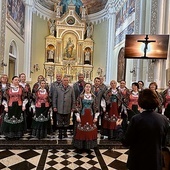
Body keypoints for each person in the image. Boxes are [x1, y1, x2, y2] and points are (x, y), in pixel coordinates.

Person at [117, 89, 169, 170]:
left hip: (138, 162)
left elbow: (126, 142)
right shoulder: (163, 119)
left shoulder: (136, 119)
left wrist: (119, 127)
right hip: (155, 162)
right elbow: (164, 142)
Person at [73, 83, 99, 152]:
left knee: (90, 130)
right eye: (86, 87)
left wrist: (96, 117)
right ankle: (80, 147)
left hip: (90, 115)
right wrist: (78, 116)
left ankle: (88, 147)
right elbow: (77, 106)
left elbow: (96, 107)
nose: (88, 88)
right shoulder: (81, 97)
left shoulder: (93, 97)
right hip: (82, 115)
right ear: (84, 88)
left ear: (91, 88)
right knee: (81, 130)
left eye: (89, 87)